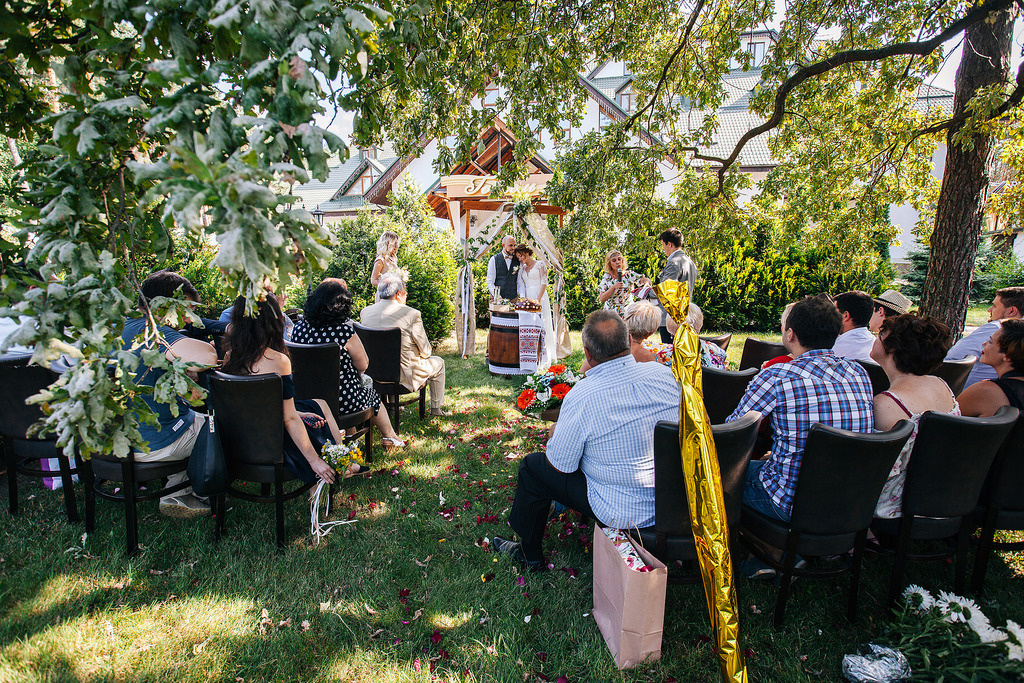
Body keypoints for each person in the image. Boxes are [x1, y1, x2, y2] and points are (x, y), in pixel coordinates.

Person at [492, 309, 680, 571]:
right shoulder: (664, 374)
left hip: (621, 509)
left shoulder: (584, 394)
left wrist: (557, 432)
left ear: (588, 355)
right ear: (629, 340)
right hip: (675, 500)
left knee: (533, 468)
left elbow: (561, 465)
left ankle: (529, 554)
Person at [727, 296, 874, 524]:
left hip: (790, 503)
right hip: (850, 501)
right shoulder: (859, 372)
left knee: (718, 474)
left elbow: (733, 433)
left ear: (790, 334)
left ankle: (722, 540)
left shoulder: (778, 375)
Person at [222, 293, 364, 484]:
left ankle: (341, 459)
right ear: (271, 322)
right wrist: (314, 461)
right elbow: (289, 420)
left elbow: (255, 407)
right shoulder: (278, 361)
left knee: (317, 406)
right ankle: (335, 464)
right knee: (311, 425)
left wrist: (299, 413)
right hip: (273, 442)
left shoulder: (230, 357)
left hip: (243, 438)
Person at [123, 270, 218, 518]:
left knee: (191, 420)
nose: (187, 319)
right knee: (217, 428)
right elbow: (207, 358)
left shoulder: (120, 326)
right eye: (185, 309)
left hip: (115, 441)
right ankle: (192, 493)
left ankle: (178, 489)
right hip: (152, 443)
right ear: (165, 304)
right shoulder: (154, 332)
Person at [290, 279, 406, 448]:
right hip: (343, 401)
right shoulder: (344, 331)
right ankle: (390, 436)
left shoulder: (299, 328)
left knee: (350, 386)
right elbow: (363, 364)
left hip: (306, 400)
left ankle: (352, 438)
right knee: (371, 394)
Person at [870, 314, 958, 518]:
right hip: (939, 494)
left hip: (896, 504)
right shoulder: (940, 385)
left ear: (892, 348)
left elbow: (877, 470)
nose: (875, 338)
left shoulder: (886, 404)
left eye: (880, 335)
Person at [359, 273, 447, 416]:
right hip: (403, 377)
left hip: (374, 375)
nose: (406, 295)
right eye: (405, 292)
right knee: (439, 363)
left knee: (389, 358)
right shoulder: (411, 314)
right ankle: (436, 409)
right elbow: (426, 351)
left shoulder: (365, 312)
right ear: (398, 294)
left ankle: (393, 407)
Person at [946, 286, 1024, 389]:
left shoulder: (997, 327)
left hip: (970, 391)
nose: (989, 310)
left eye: (994, 306)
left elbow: (954, 357)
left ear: (1011, 311)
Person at [957, 319, 1024, 416]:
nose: (983, 344)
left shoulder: (984, 391)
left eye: (990, 342)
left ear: (1007, 355)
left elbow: (943, 420)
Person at [653, 228, 699, 343]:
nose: (663, 248)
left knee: (670, 350)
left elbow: (665, 289)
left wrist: (643, 291)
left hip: (671, 319)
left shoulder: (674, 263)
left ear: (669, 244)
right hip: (686, 315)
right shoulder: (690, 262)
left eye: (663, 245)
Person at [514, 244, 555, 368]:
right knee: (530, 326)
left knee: (542, 324)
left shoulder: (540, 264)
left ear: (526, 253)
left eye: (521, 256)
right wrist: (523, 299)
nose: (520, 259)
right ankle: (532, 354)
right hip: (527, 298)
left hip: (539, 296)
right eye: (518, 257)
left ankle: (545, 356)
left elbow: (544, 282)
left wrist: (538, 299)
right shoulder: (522, 268)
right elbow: (521, 283)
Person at [597, 250, 650, 316]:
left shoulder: (629, 274)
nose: (617, 262)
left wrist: (646, 283)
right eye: (614, 260)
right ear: (609, 264)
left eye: (619, 259)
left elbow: (644, 280)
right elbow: (602, 299)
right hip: (611, 314)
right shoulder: (607, 277)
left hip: (628, 312)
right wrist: (613, 287)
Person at [832, 291, 877, 362]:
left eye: (834, 312)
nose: (831, 316)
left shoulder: (835, 349)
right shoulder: (876, 345)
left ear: (846, 316)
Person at [370, 231, 401, 300]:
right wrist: (388, 286)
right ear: (387, 244)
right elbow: (373, 280)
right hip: (384, 296)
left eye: (397, 243)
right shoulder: (380, 260)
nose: (396, 246)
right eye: (394, 243)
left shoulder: (393, 259)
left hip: (394, 295)